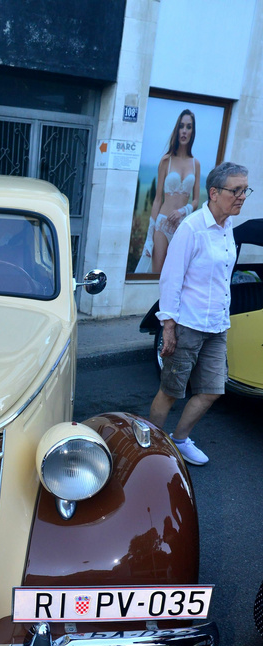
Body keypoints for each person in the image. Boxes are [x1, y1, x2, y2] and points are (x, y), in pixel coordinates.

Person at [148, 161, 251, 465]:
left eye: (245, 190)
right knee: (170, 391)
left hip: (216, 326)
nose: (242, 197)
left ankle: (179, 440)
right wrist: (168, 325)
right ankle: (149, 448)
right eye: (236, 190)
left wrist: (224, 318)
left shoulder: (227, 227)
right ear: (214, 193)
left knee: (212, 390)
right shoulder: (192, 228)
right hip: (188, 325)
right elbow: (171, 278)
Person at [136, 110, 201, 275]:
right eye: (181, 126)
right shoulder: (166, 161)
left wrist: (182, 211)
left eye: (188, 127)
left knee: (175, 274)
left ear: (192, 131)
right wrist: (149, 238)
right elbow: (157, 200)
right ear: (177, 130)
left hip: (181, 226)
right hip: (163, 224)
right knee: (157, 275)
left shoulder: (196, 164)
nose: (184, 131)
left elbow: (196, 201)